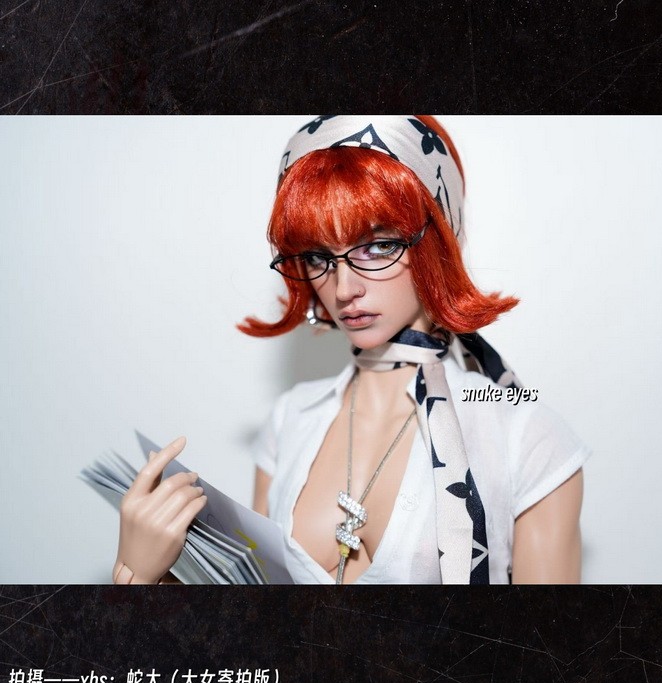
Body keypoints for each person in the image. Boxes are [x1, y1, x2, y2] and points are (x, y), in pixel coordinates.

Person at [113, 116, 590, 585]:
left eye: (377, 246)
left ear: (439, 240)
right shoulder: (291, 421)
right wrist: (143, 578)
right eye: (317, 256)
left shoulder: (523, 435)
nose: (343, 288)